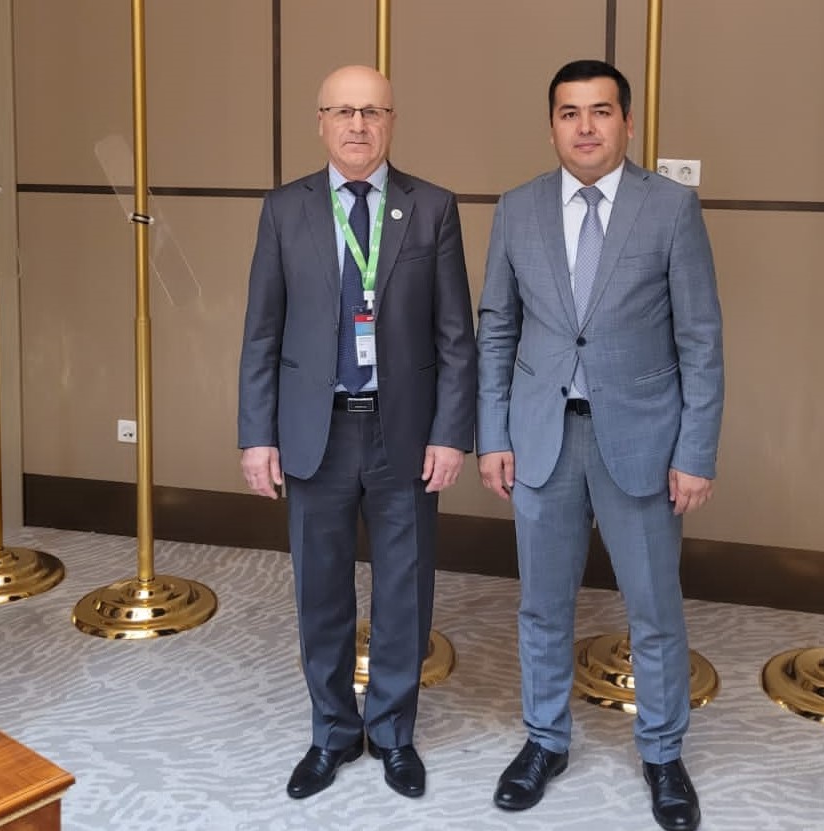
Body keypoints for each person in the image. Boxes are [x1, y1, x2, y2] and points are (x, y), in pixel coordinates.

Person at [476, 59, 724, 831]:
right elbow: (497, 330)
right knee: (542, 605)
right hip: (541, 438)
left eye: (601, 111)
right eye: (569, 112)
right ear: (551, 125)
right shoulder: (516, 208)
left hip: (642, 440)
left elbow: (702, 339)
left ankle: (662, 753)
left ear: (627, 122)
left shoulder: (671, 208)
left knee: (653, 608)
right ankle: (544, 740)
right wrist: (492, 434)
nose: (585, 127)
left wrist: (696, 450)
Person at [238, 65, 476, 802]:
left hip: (404, 432)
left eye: (372, 111)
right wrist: (257, 435)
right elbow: (262, 333)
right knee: (321, 591)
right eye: (342, 111)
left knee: (404, 589)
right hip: (315, 433)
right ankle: (333, 731)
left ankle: (394, 733)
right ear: (320, 122)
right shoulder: (285, 209)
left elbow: (455, 336)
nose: (357, 125)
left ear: (392, 121)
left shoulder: (431, 207)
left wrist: (451, 434)